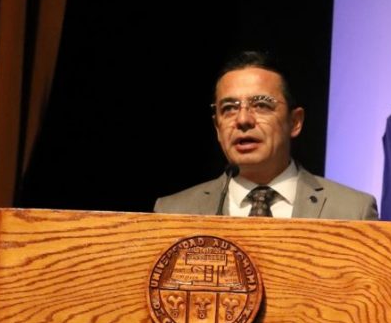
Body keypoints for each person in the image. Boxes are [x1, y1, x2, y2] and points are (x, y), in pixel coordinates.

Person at [154, 49, 378, 219]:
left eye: (261, 105)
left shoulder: (352, 211)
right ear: (217, 127)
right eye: (229, 108)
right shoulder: (173, 212)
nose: (243, 120)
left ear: (295, 122)